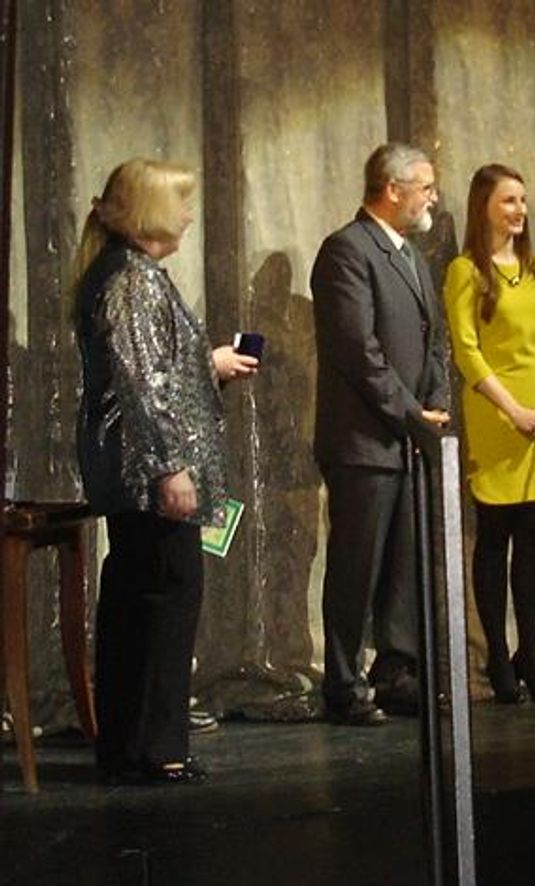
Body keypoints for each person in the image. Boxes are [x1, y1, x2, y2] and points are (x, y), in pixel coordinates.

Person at [75, 158, 258, 785]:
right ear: (152, 211)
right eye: (179, 203)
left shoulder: (132, 277)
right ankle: (153, 748)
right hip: (148, 473)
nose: (187, 215)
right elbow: (140, 387)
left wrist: (208, 363)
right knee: (162, 601)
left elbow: (155, 370)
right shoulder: (131, 281)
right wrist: (170, 468)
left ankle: (134, 745)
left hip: (142, 468)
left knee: (144, 598)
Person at [311, 143, 451, 723]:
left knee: (405, 566)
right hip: (365, 443)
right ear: (392, 189)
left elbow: (434, 338)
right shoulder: (347, 251)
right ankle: (343, 686)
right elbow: (357, 351)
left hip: (409, 439)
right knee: (357, 567)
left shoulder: (411, 256)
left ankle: (396, 671)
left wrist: (435, 401)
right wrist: (411, 414)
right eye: (425, 186)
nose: (433, 198)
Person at [443, 164, 535, 704]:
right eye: (508, 201)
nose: (519, 210)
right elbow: (467, 352)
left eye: (523, 200)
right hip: (498, 417)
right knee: (495, 539)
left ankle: (531, 656)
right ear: (484, 208)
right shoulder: (465, 271)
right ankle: (497, 653)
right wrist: (513, 409)